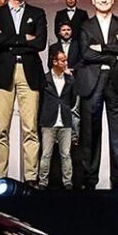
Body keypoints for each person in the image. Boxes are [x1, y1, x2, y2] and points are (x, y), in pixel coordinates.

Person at [0, 0, 47, 184]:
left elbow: (40, 43)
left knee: (30, 128)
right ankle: (0, 177)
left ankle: (31, 178)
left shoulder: (37, 13)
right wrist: (24, 39)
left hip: (28, 72)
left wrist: (11, 40)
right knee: (0, 129)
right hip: (3, 72)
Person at [76, 0, 118, 190]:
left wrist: (103, 48)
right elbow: (85, 53)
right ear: (93, 0)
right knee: (91, 133)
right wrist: (112, 56)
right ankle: (90, 179)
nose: (103, 1)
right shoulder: (85, 26)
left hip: (117, 82)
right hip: (92, 83)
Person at [38, 50, 77, 189]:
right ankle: (43, 181)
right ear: (54, 62)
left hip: (65, 120)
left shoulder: (70, 79)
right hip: (48, 120)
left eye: (65, 60)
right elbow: (40, 100)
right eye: (62, 60)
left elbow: (72, 100)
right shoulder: (45, 79)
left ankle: (67, 182)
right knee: (46, 154)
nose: (65, 63)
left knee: (66, 154)